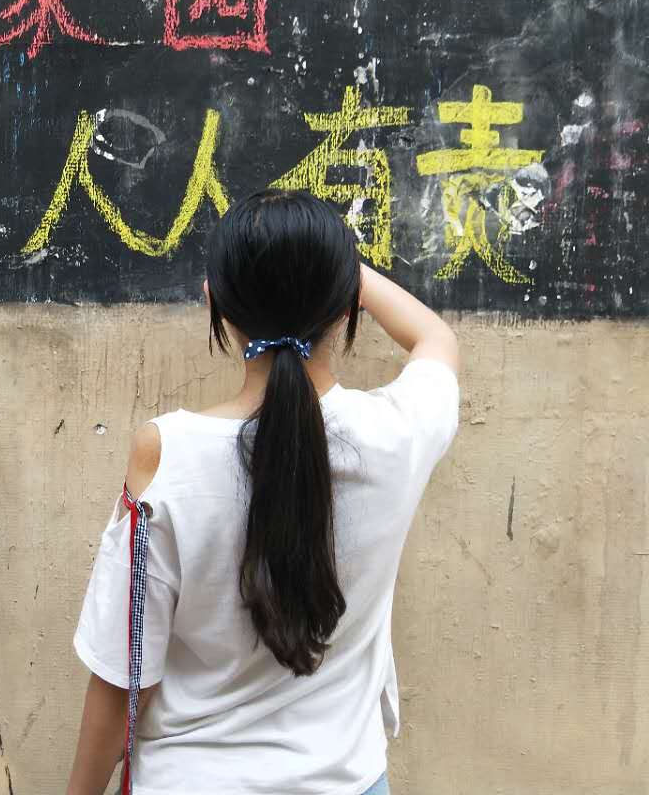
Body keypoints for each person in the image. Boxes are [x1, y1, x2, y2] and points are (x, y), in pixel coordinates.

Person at [66, 190, 460, 795]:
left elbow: (124, 676)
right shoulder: (398, 434)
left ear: (215, 302)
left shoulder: (167, 453)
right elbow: (435, 340)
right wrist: (339, 273)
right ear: (348, 306)